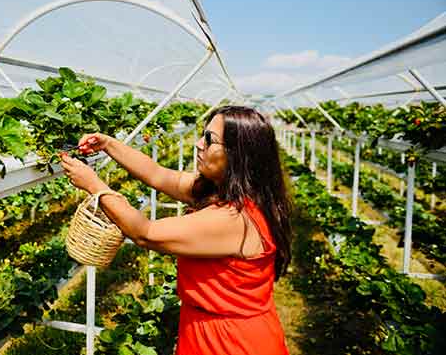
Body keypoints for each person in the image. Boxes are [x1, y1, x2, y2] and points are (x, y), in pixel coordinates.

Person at [60, 105, 291, 355]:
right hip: (207, 328)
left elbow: (144, 232)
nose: (198, 144)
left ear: (239, 154)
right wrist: (107, 144)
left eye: (210, 140)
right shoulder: (221, 191)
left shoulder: (236, 219)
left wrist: (95, 186)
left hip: (231, 342)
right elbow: (156, 174)